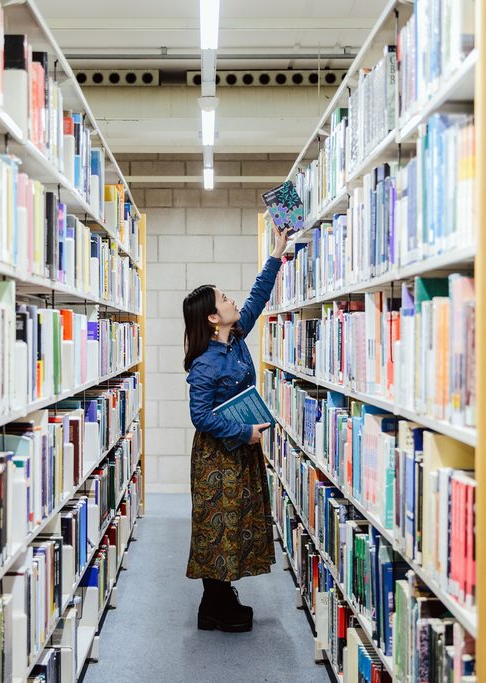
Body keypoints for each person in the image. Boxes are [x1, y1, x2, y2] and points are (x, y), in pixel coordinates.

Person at [181, 223, 292, 632]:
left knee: (237, 521)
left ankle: (220, 601)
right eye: (224, 299)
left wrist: (277, 253)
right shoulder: (205, 363)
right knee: (218, 526)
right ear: (213, 318)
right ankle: (214, 605)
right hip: (217, 455)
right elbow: (201, 417)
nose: (232, 301)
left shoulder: (237, 336)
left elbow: (259, 296)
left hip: (240, 451)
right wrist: (244, 433)